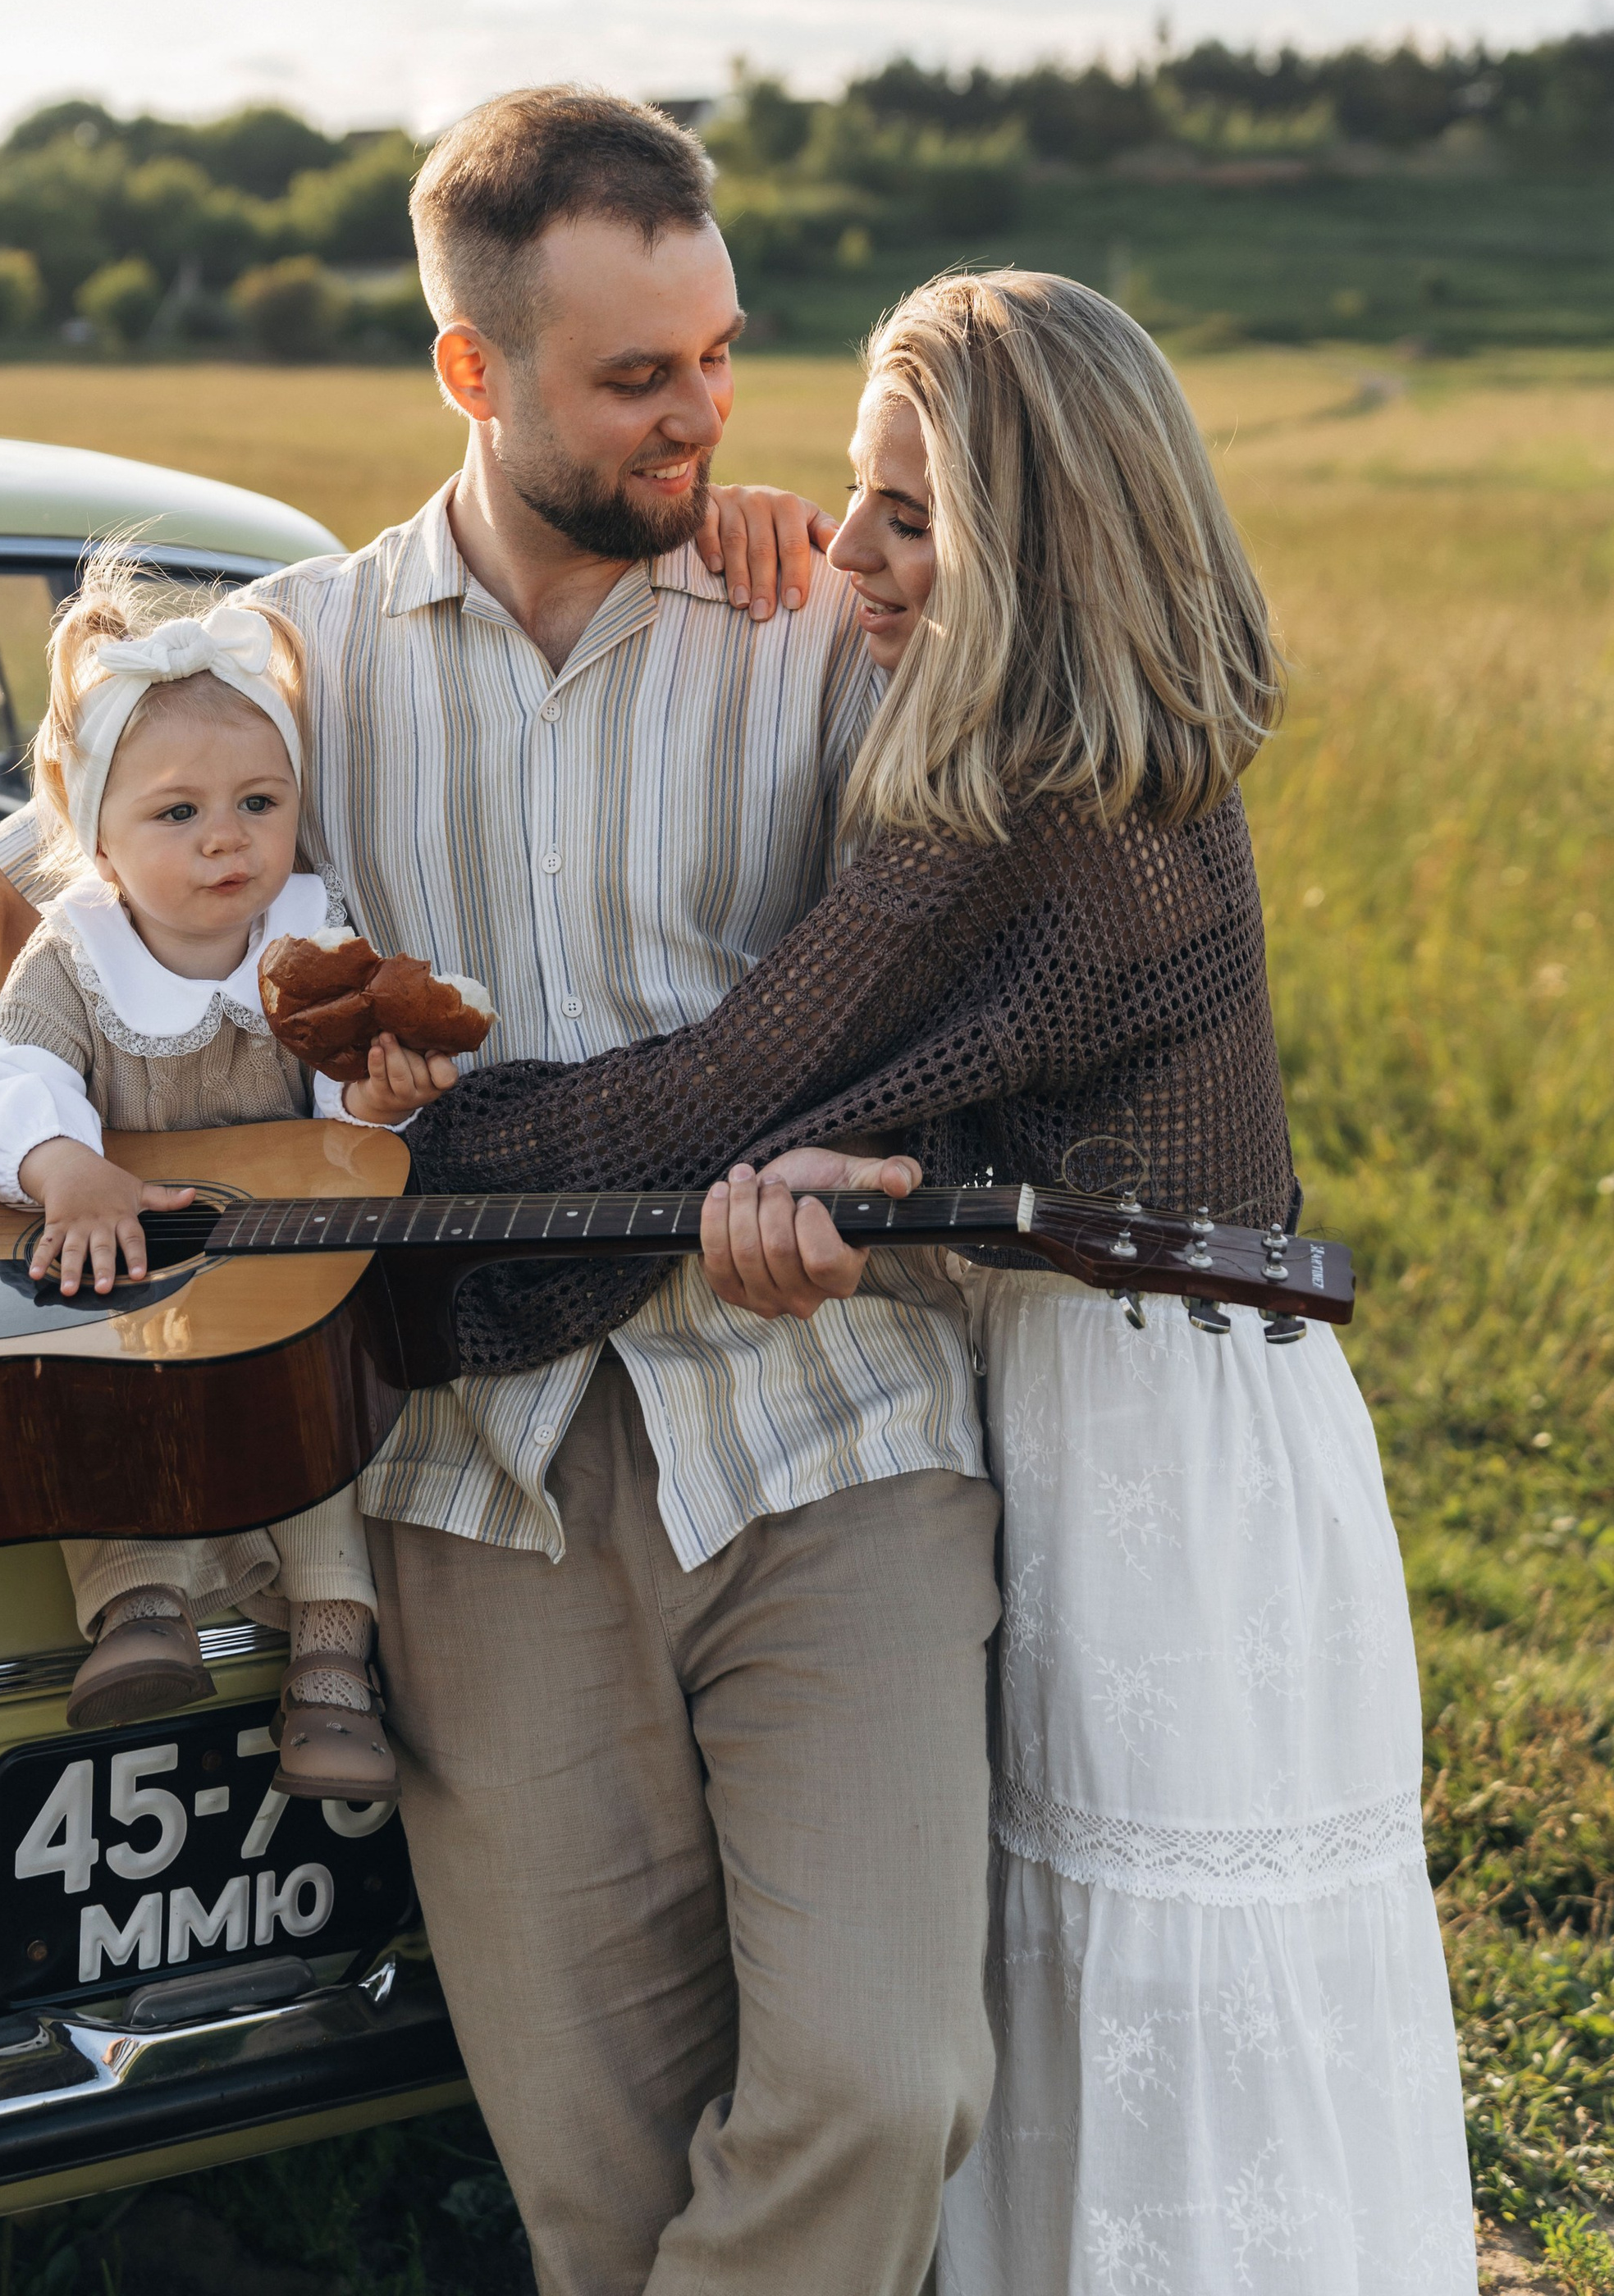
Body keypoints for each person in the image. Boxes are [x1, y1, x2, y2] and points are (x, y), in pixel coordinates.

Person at [0, 84, 998, 2296]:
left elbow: (1047, 853)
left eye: (720, 358)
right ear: (471, 372)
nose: (700, 419)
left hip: (833, 1438)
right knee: (598, 2173)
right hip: (464, 1494)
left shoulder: (820, 621)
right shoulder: (296, 664)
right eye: (635, 379)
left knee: (890, 2086)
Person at [405, 269, 1479, 2296]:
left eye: (911, 520)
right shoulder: (1116, 751)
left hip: (1145, 1461)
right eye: (850, 498)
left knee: (1133, 2001)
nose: (857, 562)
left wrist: (403, 1200)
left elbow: (734, 1080)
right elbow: (960, 1129)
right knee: (1127, 2015)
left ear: (1037, 541)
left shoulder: (1015, 817)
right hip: (1182, 1409)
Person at [0, 557, 463, 1781]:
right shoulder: (76, 956)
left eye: (259, 803)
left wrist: (374, 1097)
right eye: (177, 815)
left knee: (323, 1429)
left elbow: (338, 1097)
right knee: (92, 1411)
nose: (226, 841)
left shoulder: (308, 942)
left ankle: (333, 1664)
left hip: (280, 1280)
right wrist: (64, 1168)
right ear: (97, 834)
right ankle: (141, 1612)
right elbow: (11, 1079)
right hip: (129, 1266)